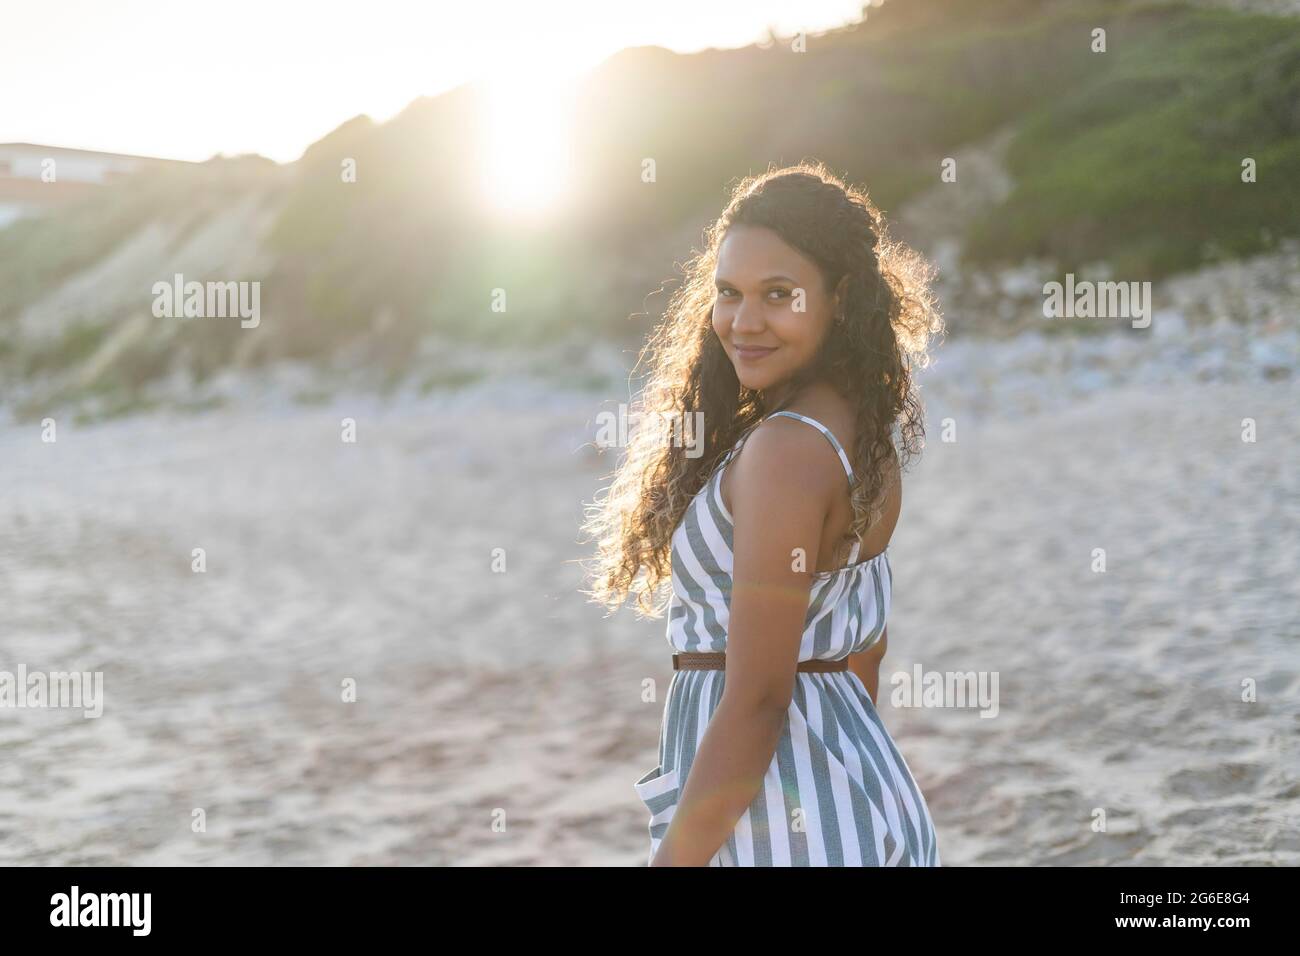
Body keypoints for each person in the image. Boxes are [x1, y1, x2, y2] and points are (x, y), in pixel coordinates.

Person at [581, 160, 944, 866]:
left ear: (839, 297)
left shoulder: (786, 452)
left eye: (779, 295)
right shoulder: (854, 435)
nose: (744, 322)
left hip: (789, 822)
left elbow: (758, 700)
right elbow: (862, 649)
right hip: (845, 804)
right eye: (729, 294)